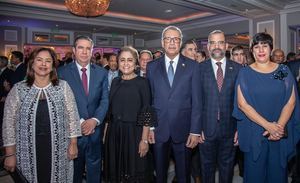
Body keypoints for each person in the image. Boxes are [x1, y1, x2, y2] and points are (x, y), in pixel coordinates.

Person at [2, 47, 81, 182]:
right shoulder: (19, 89)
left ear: (53, 66)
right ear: (32, 63)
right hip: (26, 149)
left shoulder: (63, 87)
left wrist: (73, 143)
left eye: (48, 61)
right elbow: (8, 123)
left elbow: (72, 116)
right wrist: (10, 154)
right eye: (39, 60)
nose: (43, 64)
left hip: (59, 148)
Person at [233, 32, 300, 183]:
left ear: (270, 49)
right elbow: (242, 105)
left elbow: (290, 102)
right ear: (252, 50)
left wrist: (279, 127)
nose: (261, 50)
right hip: (255, 132)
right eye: (257, 47)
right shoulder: (245, 73)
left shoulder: (281, 71)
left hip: (279, 132)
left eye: (265, 46)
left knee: (277, 174)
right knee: (255, 175)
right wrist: (268, 126)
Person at [146, 25, 201, 183]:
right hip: (158, 130)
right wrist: (149, 128)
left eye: (175, 39)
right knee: (160, 175)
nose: (172, 42)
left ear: (180, 42)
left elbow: (197, 101)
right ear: (162, 43)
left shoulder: (192, 66)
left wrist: (195, 131)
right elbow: (149, 100)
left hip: (184, 131)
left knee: (183, 175)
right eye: (168, 39)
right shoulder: (152, 66)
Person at [58, 35, 109, 183]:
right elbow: (62, 103)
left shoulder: (101, 73)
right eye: (81, 47)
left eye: (88, 48)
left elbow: (105, 100)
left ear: (92, 51)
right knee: (74, 171)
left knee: (95, 170)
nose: (85, 52)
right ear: (74, 50)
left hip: (95, 131)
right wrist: (80, 121)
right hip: (73, 133)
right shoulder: (62, 73)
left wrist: (94, 120)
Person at [104, 46, 155, 182]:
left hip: (134, 133)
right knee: (116, 170)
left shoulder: (143, 83)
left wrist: (144, 140)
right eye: (122, 60)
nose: (126, 63)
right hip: (114, 133)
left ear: (136, 63)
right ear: (118, 62)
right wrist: (105, 136)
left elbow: (146, 113)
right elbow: (109, 112)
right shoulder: (115, 82)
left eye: (130, 60)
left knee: (134, 171)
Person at [198, 30, 241, 183]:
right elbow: (196, 101)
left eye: (220, 42)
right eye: (213, 42)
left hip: (230, 130)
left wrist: (239, 128)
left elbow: (240, 103)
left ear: (226, 45)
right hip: (205, 130)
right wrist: (197, 128)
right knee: (206, 169)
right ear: (208, 47)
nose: (217, 46)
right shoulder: (199, 69)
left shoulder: (238, 69)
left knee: (227, 169)